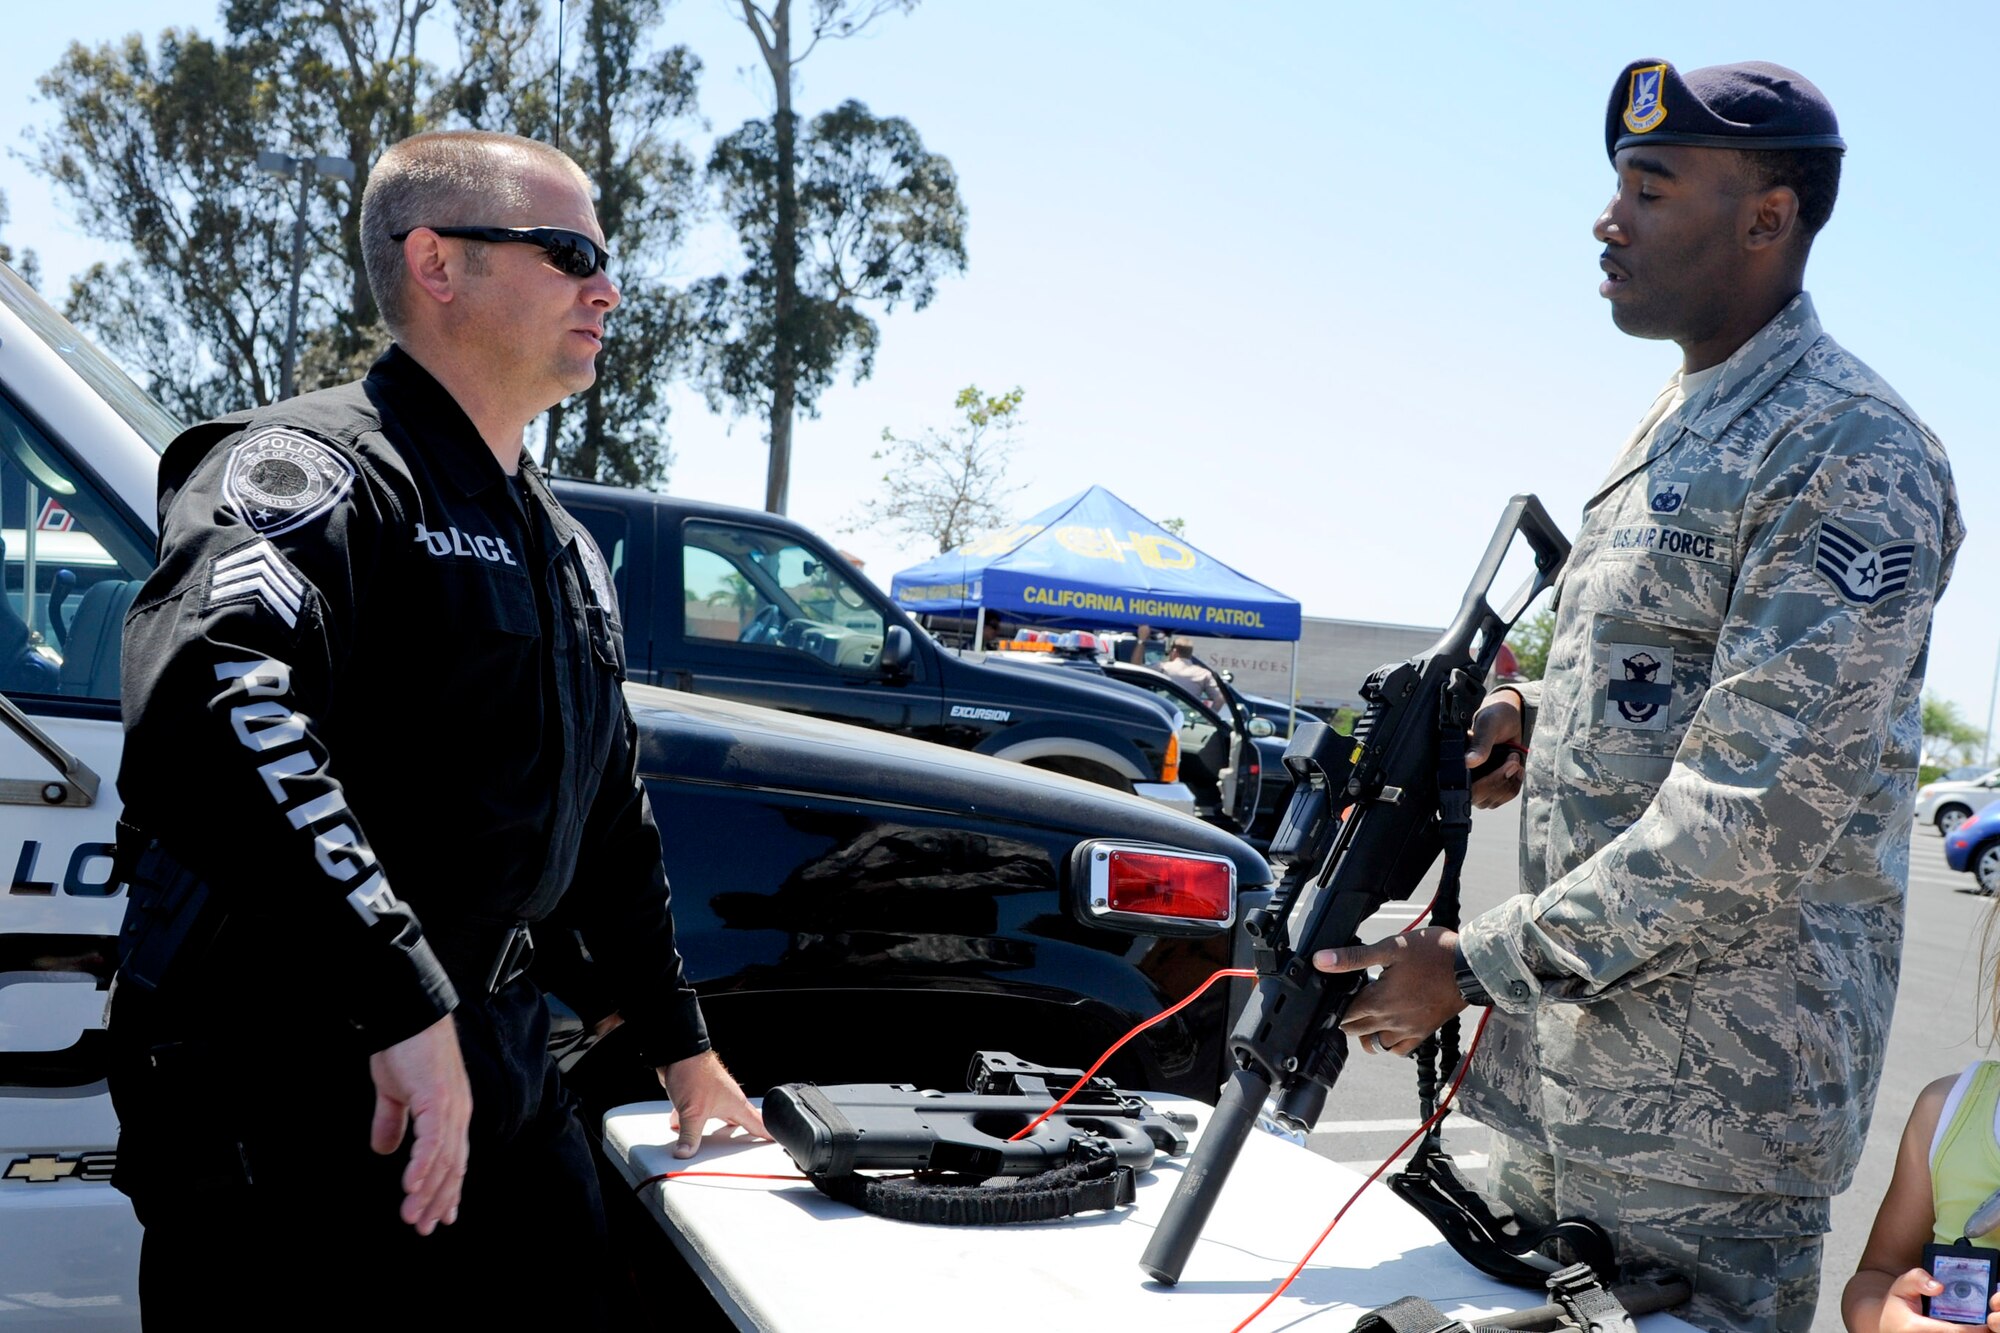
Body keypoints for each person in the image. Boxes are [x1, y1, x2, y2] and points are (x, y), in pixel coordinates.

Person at [1314, 59, 1962, 1333]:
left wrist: (1471, 964)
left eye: (1650, 187)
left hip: (1708, 1121)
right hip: (1563, 1084)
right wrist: (1532, 720)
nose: (1608, 218)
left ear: (1766, 217)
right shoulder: (1686, 414)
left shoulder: (1849, 450)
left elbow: (1752, 813)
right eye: (1616, 183)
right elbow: (1673, 682)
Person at [106, 129, 765, 1327]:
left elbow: (606, 812)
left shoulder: (557, 540)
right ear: (436, 263)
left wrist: (681, 1043)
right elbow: (216, 706)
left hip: (503, 1062)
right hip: (306, 1077)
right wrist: (400, 1000)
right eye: (569, 251)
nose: (606, 285)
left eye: (607, 257)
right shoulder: (313, 470)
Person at [1159, 634, 1230, 718]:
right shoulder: (1203, 674)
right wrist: (1209, 718)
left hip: (1162, 715)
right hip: (1188, 720)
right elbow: (1220, 698)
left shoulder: (1162, 667)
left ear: (1174, 651)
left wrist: (1142, 641)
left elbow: (1139, 670)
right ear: (1190, 653)